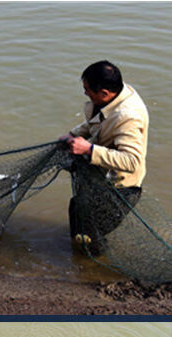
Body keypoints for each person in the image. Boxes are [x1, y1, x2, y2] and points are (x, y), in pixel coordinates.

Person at [59, 60, 148, 255]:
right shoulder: (114, 96)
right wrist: (74, 134)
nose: (85, 93)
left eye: (87, 89)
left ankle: (91, 270)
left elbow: (132, 161)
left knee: (90, 230)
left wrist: (89, 149)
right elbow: (97, 121)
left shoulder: (128, 117)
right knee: (78, 209)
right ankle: (83, 256)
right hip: (102, 177)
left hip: (121, 188)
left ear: (105, 93)